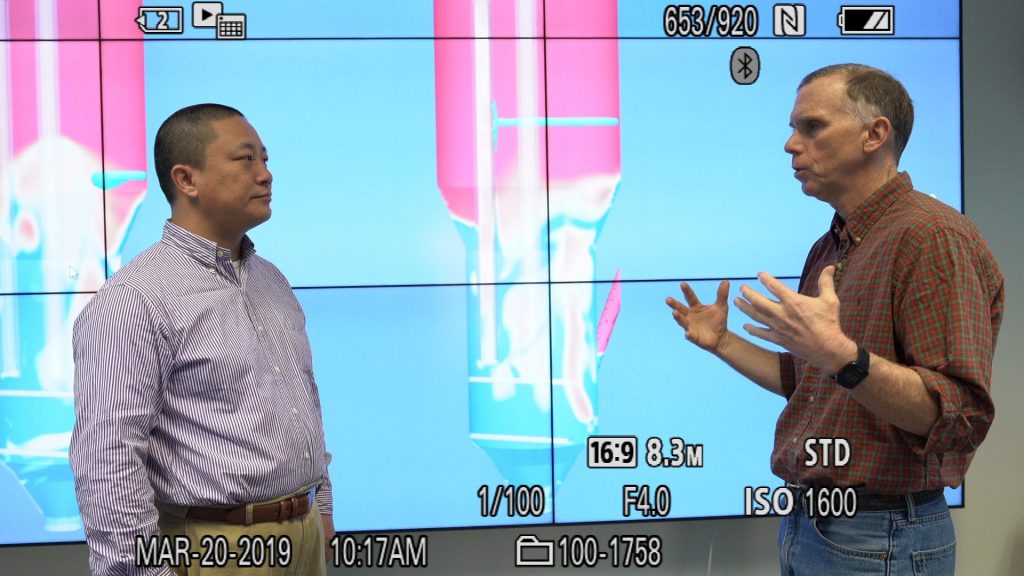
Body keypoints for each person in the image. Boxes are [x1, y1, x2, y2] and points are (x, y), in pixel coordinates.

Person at [666, 64, 1003, 575]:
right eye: (793, 128)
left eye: (813, 126)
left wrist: (842, 356)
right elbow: (813, 383)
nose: (791, 145)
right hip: (812, 525)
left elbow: (958, 416)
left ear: (875, 134)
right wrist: (724, 343)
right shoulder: (830, 246)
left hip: (883, 534)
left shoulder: (932, 237)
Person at [70, 104, 334, 575]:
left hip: (304, 535)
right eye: (246, 159)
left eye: (265, 158)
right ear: (186, 179)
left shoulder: (270, 279)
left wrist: (322, 507)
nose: (266, 174)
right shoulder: (136, 299)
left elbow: (304, 402)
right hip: (211, 548)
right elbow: (108, 459)